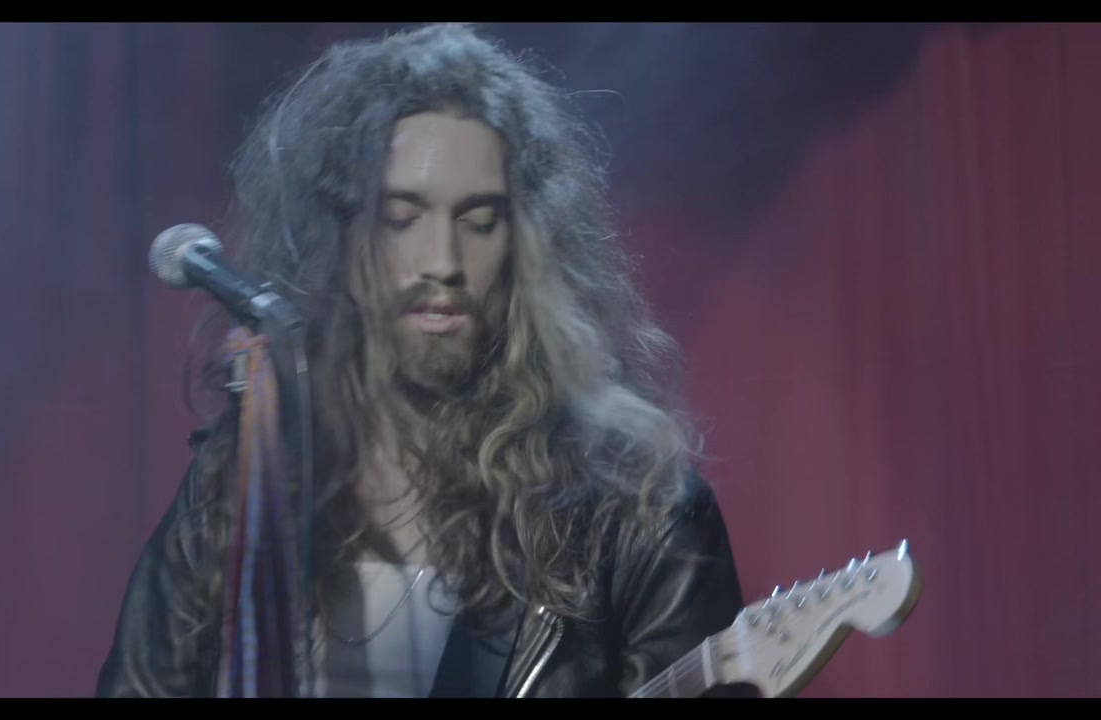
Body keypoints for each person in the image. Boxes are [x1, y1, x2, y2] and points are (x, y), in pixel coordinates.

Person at [95, 22, 750, 699]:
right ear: (340, 235)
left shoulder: (634, 510)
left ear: (527, 244)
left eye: (479, 221)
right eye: (401, 218)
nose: (443, 262)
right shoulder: (243, 488)